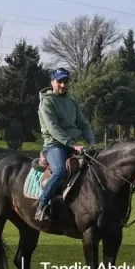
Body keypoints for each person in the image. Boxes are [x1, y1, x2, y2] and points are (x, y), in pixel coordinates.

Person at [35, 67, 96, 222]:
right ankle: (41, 205)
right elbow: (53, 128)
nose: (63, 85)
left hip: (74, 144)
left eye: (65, 81)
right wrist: (72, 144)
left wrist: (92, 143)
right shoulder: (46, 103)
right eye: (59, 81)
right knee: (60, 171)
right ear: (52, 82)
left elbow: (84, 124)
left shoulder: (72, 102)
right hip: (55, 145)